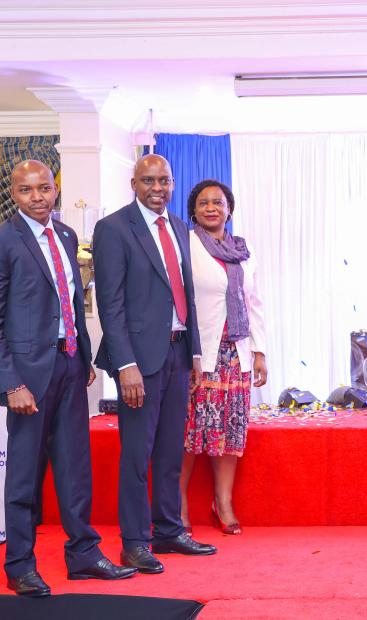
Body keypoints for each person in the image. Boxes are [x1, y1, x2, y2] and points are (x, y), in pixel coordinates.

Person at [0, 160, 136, 597]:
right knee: (23, 475)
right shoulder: (5, 240)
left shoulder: (66, 236)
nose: (37, 197)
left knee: (76, 468)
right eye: (26, 190)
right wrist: (11, 383)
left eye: (43, 188)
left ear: (54, 190)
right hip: (27, 376)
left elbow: (72, 299)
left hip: (70, 365)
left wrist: (82, 355)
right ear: (13, 193)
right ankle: (19, 564)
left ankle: (83, 555)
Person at [93, 154, 216, 575]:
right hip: (139, 362)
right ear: (134, 183)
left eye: (164, 180)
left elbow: (187, 296)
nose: (157, 188)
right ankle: (134, 542)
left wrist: (196, 352)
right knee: (136, 455)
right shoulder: (113, 229)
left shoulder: (179, 228)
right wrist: (124, 364)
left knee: (169, 451)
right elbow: (110, 304)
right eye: (148, 180)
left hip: (178, 354)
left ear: (173, 182)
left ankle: (167, 530)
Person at [179, 179, 267, 535]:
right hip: (200, 354)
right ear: (194, 211)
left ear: (229, 208)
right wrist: (187, 353)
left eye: (218, 202)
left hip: (236, 353)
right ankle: (177, 507)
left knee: (230, 432)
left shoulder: (243, 250)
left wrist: (259, 351)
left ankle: (223, 502)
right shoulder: (185, 246)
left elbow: (254, 302)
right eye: (204, 203)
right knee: (189, 433)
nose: (212, 208)